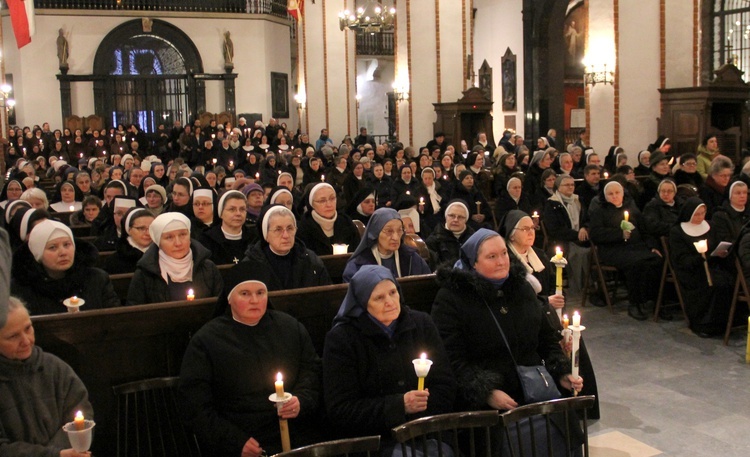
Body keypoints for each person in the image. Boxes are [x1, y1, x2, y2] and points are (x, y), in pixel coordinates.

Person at [431, 229, 583, 451]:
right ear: (473, 263)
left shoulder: (521, 288)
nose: (502, 261)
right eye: (491, 257)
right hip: (487, 404)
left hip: (534, 388)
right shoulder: (452, 299)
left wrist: (561, 372)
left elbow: (546, 339)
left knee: (564, 433)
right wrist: (486, 393)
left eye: (504, 254)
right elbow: (451, 359)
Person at [178, 266, 322, 457]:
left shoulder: (290, 328)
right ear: (229, 299)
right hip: (240, 439)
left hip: (295, 431)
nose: (255, 300)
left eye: (260, 293)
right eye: (245, 293)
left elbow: (311, 371)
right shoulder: (206, 342)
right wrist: (234, 441)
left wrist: (301, 400)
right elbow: (195, 405)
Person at [323, 265, 456, 452]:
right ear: (362, 303)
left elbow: (446, 384)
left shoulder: (421, 324)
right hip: (375, 442)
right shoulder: (342, 339)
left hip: (427, 431)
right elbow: (341, 409)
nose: (390, 302)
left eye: (393, 292)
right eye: (379, 297)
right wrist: (399, 406)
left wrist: (421, 411)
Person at [0, 297, 93, 457]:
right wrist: (52, 454)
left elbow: (80, 416)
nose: (25, 340)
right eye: (13, 336)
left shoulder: (55, 368)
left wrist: (62, 452)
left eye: (28, 328)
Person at [11, 220, 121, 314]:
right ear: (37, 253)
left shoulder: (97, 279)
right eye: (53, 247)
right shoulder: (21, 288)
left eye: (67, 245)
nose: (63, 252)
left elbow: (114, 320)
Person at [589, 181, 663, 320]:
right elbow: (596, 233)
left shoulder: (632, 209)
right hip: (613, 249)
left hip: (636, 247)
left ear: (623, 194)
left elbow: (645, 230)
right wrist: (619, 234)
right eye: (611, 194)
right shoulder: (599, 211)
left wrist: (652, 246)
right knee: (636, 265)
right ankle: (635, 304)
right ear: (605, 196)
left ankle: (653, 301)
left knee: (656, 260)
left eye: (617, 193)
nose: (614, 196)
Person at [669, 198, 733, 337]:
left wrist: (720, 253)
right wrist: (701, 257)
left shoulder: (710, 225)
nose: (700, 217)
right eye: (697, 214)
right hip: (691, 271)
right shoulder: (678, 232)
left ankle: (724, 323)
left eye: (703, 213)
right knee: (712, 285)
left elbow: (716, 246)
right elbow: (681, 259)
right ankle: (703, 324)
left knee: (728, 281)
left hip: (712, 267)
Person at [127, 212, 223, 305]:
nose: (178, 243)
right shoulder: (145, 274)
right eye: (169, 237)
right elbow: (135, 315)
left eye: (182, 235)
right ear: (158, 242)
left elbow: (221, 307)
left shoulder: (208, 268)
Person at [239, 205, 331, 290]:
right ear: (266, 235)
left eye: (290, 228)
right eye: (278, 230)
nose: (286, 235)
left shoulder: (311, 260)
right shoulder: (251, 265)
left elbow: (327, 297)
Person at [342, 208, 430, 282]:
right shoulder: (357, 265)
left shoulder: (412, 258)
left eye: (399, 230)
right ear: (376, 233)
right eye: (389, 231)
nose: (395, 237)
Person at [543, 175, 590, 295]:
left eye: (572, 184)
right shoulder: (552, 204)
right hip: (562, 241)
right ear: (558, 187)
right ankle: (580, 287)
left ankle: (591, 284)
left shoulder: (578, 200)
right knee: (579, 253)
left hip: (582, 238)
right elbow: (555, 230)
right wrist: (576, 234)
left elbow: (587, 218)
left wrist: (584, 227)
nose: (570, 187)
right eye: (567, 185)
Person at [297, 183, 361, 255]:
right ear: (312, 204)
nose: (329, 204)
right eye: (322, 201)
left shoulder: (346, 222)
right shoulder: (304, 228)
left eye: (332, 198)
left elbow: (359, 254)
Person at [199, 190, 256, 265]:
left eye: (242, 209)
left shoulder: (254, 239)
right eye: (232, 209)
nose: (238, 213)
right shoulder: (207, 240)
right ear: (221, 213)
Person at [102, 208, 154, 274]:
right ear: (129, 230)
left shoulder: (162, 255)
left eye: (151, 228)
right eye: (141, 228)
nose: (148, 233)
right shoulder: (113, 262)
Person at [426, 200, 475, 267]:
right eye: (452, 216)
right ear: (446, 217)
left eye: (460, 217)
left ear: (466, 219)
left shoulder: (473, 239)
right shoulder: (434, 240)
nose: (455, 220)